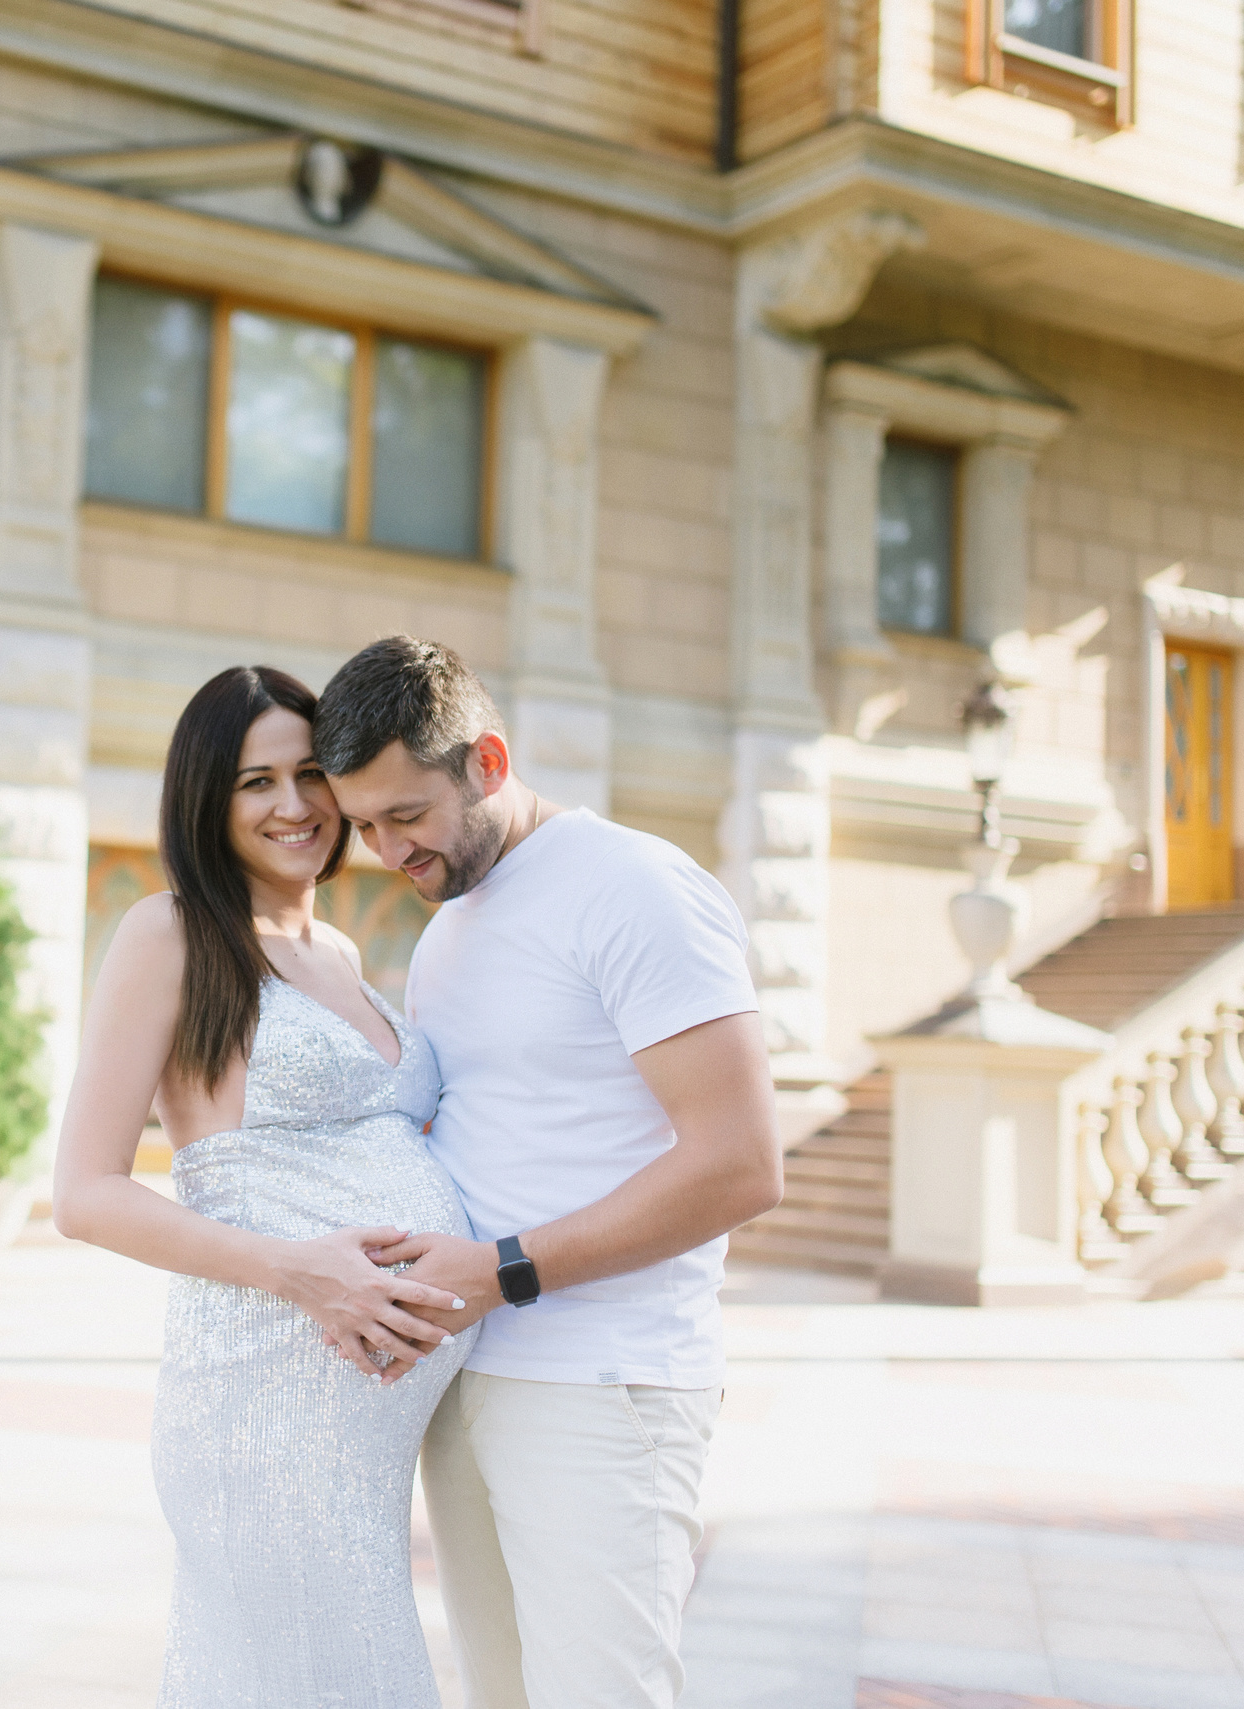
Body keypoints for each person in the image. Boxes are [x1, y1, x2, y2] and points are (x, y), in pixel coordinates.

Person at [314, 635, 783, 1709]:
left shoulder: (633, 886)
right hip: (469, 1374)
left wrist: (504, 1269)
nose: (388, 849)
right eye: (366, 825)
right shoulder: (448, 929)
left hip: (602, 1384)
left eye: (406, 815)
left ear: (486, 760)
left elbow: (741, 1162)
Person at [52, 663, 476, 1709]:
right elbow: (84, 1190)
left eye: (306, 775)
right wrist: (302, 1273)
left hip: (365, 1429)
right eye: (254, 782)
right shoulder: (171, 932)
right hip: (264, 1400)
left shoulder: (338, 945)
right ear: (207, 797)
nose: (291, 806)